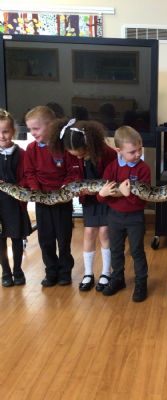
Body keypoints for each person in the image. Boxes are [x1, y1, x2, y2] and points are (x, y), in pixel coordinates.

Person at [48, 118, 116, 292]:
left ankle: (106, 272)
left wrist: (100, 191)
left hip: (107, 198)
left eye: (81, 154)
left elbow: (113, 176)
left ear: (89, 145)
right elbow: (71, 174)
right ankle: (88, 273)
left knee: (105, 233)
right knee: (89, 233)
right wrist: (69, 186)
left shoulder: (107, 153)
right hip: (88, 200)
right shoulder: (71, 154)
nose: (78, 157)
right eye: (74, 155)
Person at [24, 106, 78, 287]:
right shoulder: (31, 149)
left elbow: (72, 172)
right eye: (30, 129)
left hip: (62, 200)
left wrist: (65, 188)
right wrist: (35, 189)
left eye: (36, 128)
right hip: (42, 202)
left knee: (63, 238)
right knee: (45, 239)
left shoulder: (64, 147)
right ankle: (51, 271)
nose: (32, 133)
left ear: (52, 125)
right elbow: (29, 173)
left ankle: (65, 271)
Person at [97, 126, 150, 302]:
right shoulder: (112, 168)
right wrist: (102, 194)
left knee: (136, 251)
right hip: (114, 217)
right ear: (119, 151)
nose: (138, 154)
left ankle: (141, 282)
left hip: (135, 217)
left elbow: (143, 200)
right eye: (132, 152)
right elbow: (102, 198)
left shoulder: (143, 169)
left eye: (140, 149)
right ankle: (118, 279)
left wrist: (129, 195)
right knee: (116, 250)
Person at [0, 109, 32, 287]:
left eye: (5, 131)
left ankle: (18, 270)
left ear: (13, 131)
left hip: (15, 203)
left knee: (17, 238)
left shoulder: (22, 154)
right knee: (0, 240)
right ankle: (5, 271)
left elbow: (27, 176)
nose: (1, 136)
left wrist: (19, 187)